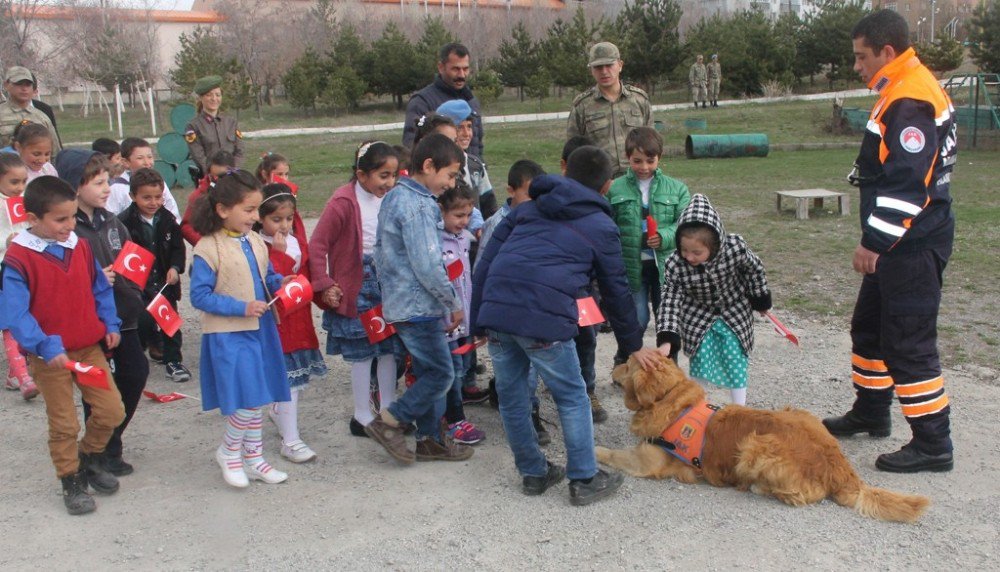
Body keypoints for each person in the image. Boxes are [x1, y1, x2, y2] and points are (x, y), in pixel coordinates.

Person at [471, 145, 660, 505]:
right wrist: (634, 344)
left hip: (497, 314)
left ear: (564, 173)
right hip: (543, 318)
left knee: (512, 399)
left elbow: (486, 263)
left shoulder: (525, 209)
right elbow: (616, 289)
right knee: (573, 396)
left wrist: (478, 320)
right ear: (607, 186)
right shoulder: (601, 225)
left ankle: (534, 473)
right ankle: (585, 478)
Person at [822, 9, 958, 474]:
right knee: (869, 328)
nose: (857, 66)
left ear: (886, 51)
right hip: (901, 241)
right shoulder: (901, 88)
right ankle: (872, 411)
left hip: (910, 242)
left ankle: (933, 443)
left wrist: (874, 242)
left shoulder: (911, 98)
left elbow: (907, 184)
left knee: (908, 342)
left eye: (861, 57)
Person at [1, 175, 125, 514]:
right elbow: (15, 312)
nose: (70, 225)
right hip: (49, 357)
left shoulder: (79, 246)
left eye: (72, 217)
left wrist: (109, 323)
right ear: (33, 219)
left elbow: (99, 288)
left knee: (112, 409)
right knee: (64, 423)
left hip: (88, 348)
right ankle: (70, 480)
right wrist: (42, 344)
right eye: (60, 219)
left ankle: (89, 456)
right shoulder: (18, 258)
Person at [366, 133, 474, 464]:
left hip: (402, 303)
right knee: (442, 373)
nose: (452, 183)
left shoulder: (395, 197)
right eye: (451, 175)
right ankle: (389, 422)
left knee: (430, 371)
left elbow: (380, 255)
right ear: (428, 166)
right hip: (418, 306)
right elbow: (428, 264)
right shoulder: (420, 205)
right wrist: (452, 302)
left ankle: (429, 440)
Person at [188, 169, 292, 488]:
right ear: (222, 210)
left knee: (257, 394)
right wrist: (241, 306)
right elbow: (199, 295)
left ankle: (255, 458)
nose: (255, 217)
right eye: (248, 210)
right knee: (246, 398)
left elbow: (266, 276)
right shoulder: (208, 248)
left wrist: (281, 284)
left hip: (260, 329)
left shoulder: (255, 242)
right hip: (229, 333)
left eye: (257, 210)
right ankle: (229, 452)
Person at [57, 150, 149, 476]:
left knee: (135, 375)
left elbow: (131, 261)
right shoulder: (66, 231)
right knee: (96, 390)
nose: (107, 188)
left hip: (123, 316)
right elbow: (60, 278)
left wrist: (137, 291)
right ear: (75, 186)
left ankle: (107, 442)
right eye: (98, 182)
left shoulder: (112, 222)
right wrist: (94, 279)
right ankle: (102, 453)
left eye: (108, 181)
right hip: (89, 323)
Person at [309, 142, 398, 439]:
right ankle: (362, 415)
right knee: (363, 351)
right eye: (383, 175)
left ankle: (388, 409)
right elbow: (318, 244)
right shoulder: (343, 202)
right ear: (361, 175)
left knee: (387, 349)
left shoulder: (390, 197)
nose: (390, 182)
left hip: (387, 281)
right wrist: (323, 283)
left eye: (393, 175)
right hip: (359, 284)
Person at [654, 194, 771, 406]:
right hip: (697, 314)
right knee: (700, 361)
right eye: (684, 250)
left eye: (697, 252)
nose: (689, 257)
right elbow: (670, 299)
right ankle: (697, 407)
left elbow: (755, 270)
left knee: (736, 359)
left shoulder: (735, 248)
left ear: (714, 245)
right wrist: (667, 338)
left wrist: (760, 299)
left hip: (733, 310)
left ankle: (739, 409)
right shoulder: (675, 263)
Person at [477, 159, 550, 445]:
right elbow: (482, 267)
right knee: (510, 369)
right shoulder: (497, 224)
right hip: (502, 309)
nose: (534, 201)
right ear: (510, 190)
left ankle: (531, 412)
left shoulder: (543, 220)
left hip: (530, 308)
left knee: (532, 368)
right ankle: (517, 415)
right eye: (528, 194)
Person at [607, 127, 691, 364]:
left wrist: (665, 236)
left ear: (659, 158)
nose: (644, 166)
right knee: (638, 318)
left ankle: (669, 366)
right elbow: (606, 225)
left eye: (650, 161)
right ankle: (623, 361)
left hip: (665, 266)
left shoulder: (677, 189)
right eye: (637, 161)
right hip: (633, 266)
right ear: (627, 157)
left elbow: (686, 225)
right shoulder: (615, 188)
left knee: (668, 319)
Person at [257, 183, 327, 463]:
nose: (284, 225)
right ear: (261, 219)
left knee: (297, 380)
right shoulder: (258, 246)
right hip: (277, 323)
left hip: (299, 319)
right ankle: (291, 440)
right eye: (276, 220)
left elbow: (306, 275)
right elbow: (273, 285)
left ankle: (279, 414)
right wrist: (278, 253)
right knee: (289, 382)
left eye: (288, 218)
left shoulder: (298, 240)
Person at [116, 168, 191, 383]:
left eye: (158, 197)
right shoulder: (124, 223)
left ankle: (173, 361)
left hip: (165, 283)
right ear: (133, 197)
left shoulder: (168, 220)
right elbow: (123, 256)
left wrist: (175, 268)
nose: (153, 202)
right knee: (143, 321)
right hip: (138, 285)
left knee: (170, 323)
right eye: (146, 197)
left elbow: (178, 248)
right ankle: (138, 354)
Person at [438, 181, 486, 445]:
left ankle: (448, 412)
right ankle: (453, 419)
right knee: (451, 369)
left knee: (460, 367)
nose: (463, 221)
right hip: (445, 320)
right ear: (441, 211)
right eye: (458, 215)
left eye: (468, 215)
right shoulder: (435, 241)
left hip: (463, 319)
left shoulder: (465, 239)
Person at [567, 42, 652, 177]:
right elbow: (573, 150)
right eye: (598, 67)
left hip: (636, 178)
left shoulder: (639, 100)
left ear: (620, 65)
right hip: (600, 181)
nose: (604, 71)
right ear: (591, 70)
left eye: (609, 65)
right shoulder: (582, 106)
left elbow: (651, 144)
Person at [403, 43, 484, 158]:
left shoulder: (471, 101)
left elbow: (477, 144)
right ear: (441, 67)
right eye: (456, 69)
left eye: (465, 69)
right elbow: (412, 145)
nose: (461, 75)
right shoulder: (422, 101)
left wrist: (478, 168)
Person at [0, 153, 38, 399]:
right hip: (3, 268)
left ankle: (17, 373)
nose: (20, 187)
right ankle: (22, 376)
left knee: (27, 315)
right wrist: (6, 241)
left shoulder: (25, 203)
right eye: (14, 182)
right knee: (9, 321)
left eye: (23, 181)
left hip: (24, 268)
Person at [436, 99, 497, 220]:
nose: (466, 133)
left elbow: (489, 205)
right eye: (459, 128)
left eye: (469, 127)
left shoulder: (475, 166)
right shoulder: (434, 167)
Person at [106, 138, 180, 219]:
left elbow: (172, 211)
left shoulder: (158, 183)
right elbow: (110, 219)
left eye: (149, 157)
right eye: (140, 158)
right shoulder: (117, 188)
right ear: (125, 162)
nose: (147, 163)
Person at [184, 75, 244, 175]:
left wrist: (232, 171)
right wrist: (214, 173)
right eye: (209, 95)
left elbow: (240, 151)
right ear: (201, 98)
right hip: (209, 178)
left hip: (232, 176)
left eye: (218, 95)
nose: (214, 98)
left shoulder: (231, 122)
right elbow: (198, 156)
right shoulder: (193, 126)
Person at [180, 150, 237, 246]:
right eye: (213, 177)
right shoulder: (198, 195)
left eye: (222, 177)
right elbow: (186, 227)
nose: (217, 180)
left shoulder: (240, 192)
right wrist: (205, 244)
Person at [0, 66, 61, 154]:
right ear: (6, 85)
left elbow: (55, 153)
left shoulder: (42, 117)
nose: (24, 89)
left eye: (28, 85)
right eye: (19, 84)